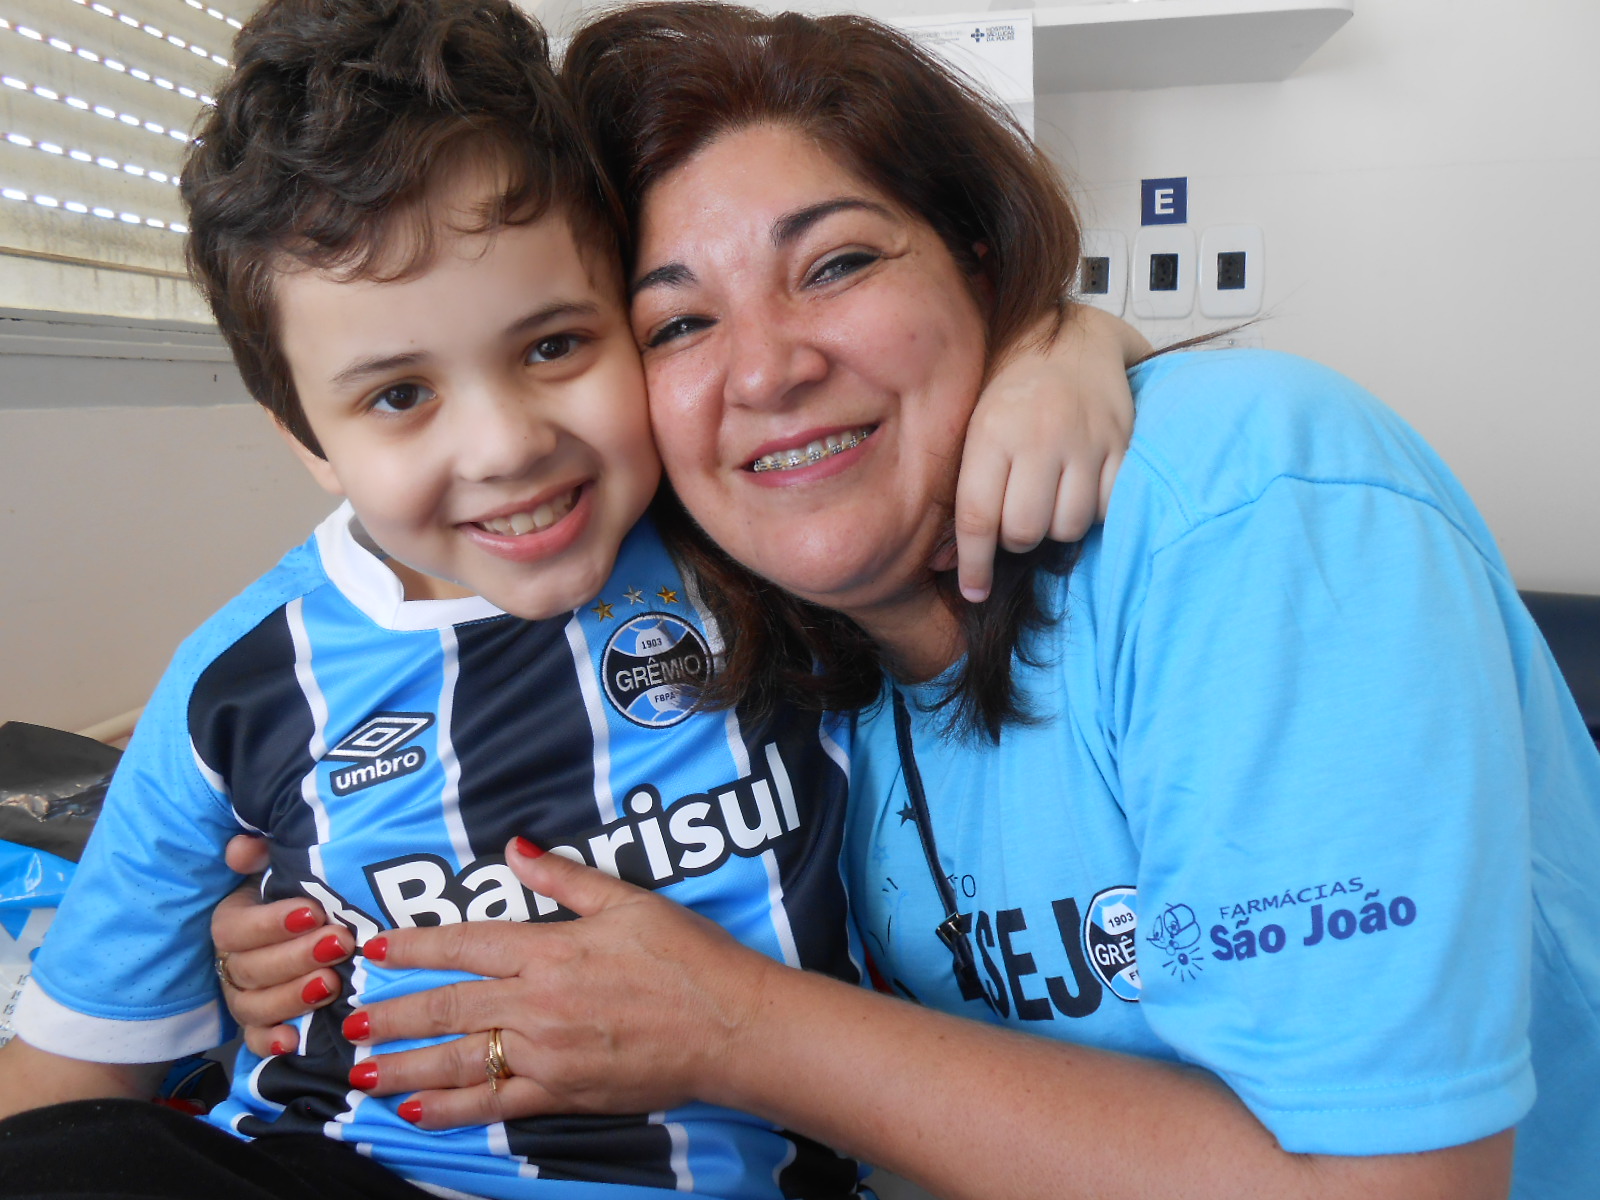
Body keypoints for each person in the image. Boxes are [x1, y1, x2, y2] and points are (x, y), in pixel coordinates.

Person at [215, 5, 1600, 1199]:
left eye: (838, 263)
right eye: (677, 323)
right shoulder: (765, 658)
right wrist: (316, 938)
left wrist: (739, 1027)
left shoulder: (1249, 499)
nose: (766, 370)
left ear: (981, 267)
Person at [0, 0, 1147, 1196]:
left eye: (553, 345)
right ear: (305, 437)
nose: (505, 444)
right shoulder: (238, 685)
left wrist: (1062, 342)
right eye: (397, 395)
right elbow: (69, 1075)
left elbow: (905, 424)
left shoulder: (745, 548)